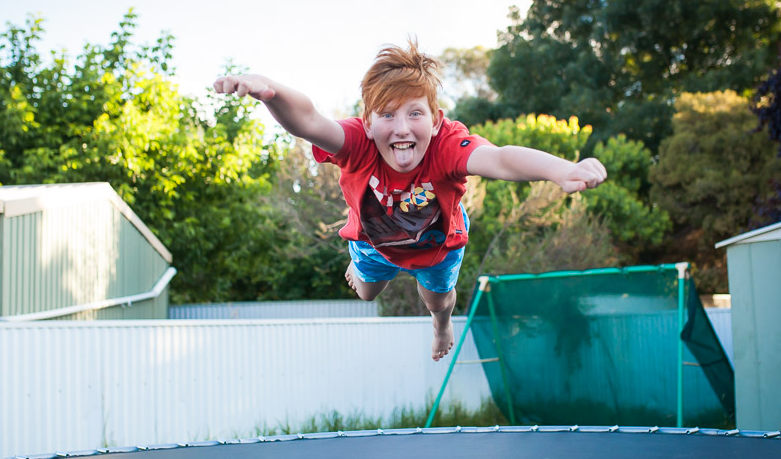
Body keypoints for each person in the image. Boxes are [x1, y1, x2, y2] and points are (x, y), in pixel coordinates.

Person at [213, 39, 606, 362]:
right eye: (386, 115)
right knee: (367, 293)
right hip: (374, 240)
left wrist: (560, 169)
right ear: (367, 123)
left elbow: (500, 158)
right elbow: (310, 121)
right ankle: (361, 265)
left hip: (438, 245)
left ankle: (440, 326)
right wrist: (273, 92)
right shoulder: (356, 143)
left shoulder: (448, 145)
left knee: (438, 301)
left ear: (435, 120)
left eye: (414, 114)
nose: (401, 129)